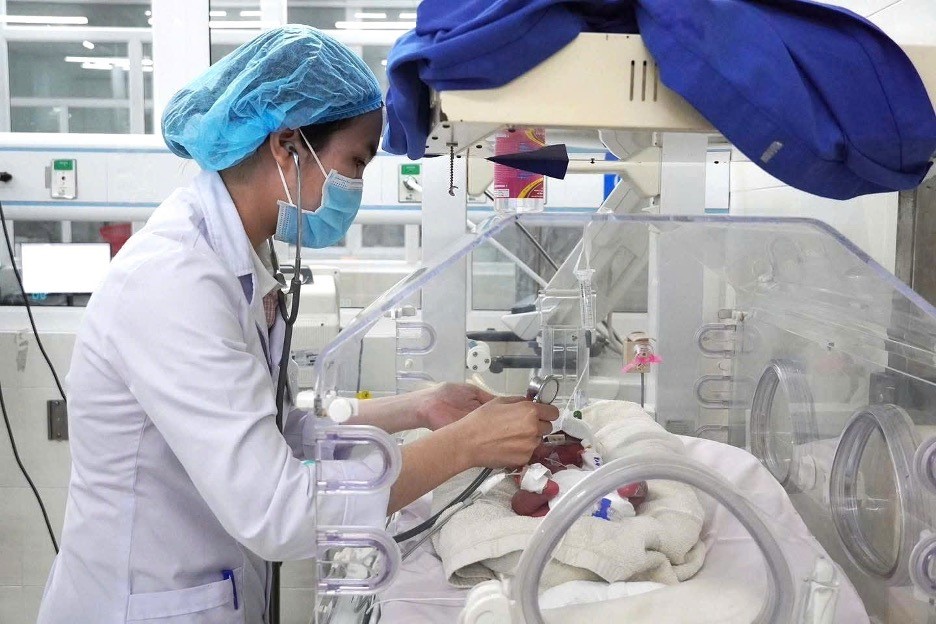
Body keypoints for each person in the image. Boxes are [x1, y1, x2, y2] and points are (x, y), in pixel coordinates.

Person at [37, 26, 557, 624]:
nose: (354, 188)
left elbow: (274, 430)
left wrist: (421, 408)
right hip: (141, 604)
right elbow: (278, 511)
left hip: (202, 593)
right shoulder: (173, 281)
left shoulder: (238, 256)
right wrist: (462, 447)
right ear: (287, 145)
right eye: (354, 162)